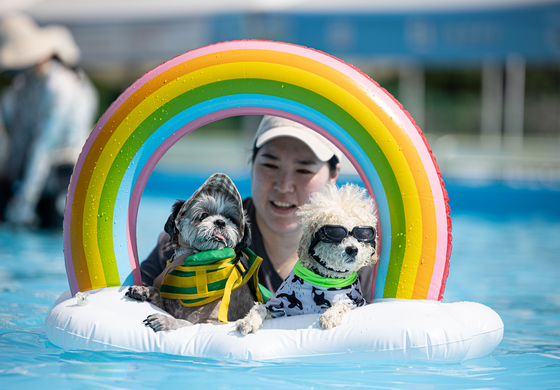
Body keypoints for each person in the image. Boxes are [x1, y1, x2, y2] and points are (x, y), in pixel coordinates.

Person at [140, 115, 375, 300]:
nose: (283, 185)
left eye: (303, 170)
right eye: (270, 165)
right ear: (251, 164)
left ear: (334, 174)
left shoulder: (359, 253)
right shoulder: (192, 235)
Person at [0, 13, 98, 228]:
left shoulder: (60, 87)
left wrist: (23, 203)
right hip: (37, 175)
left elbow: (44, 145)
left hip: (66, 177)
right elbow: (19, 142)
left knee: (55, 230)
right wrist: (7, 184)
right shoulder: (23, 86)